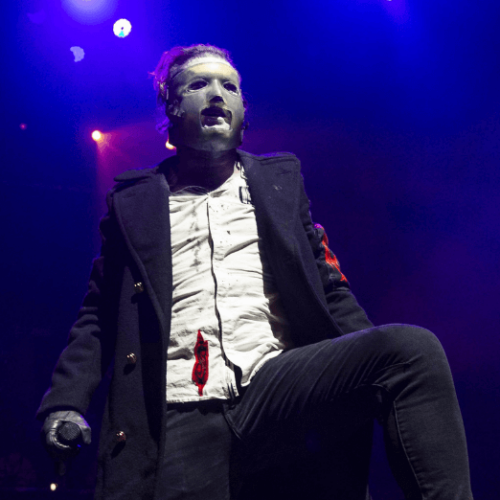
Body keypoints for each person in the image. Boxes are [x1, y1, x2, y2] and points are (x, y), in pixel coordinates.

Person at [38, 44, 473, 500]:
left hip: (276, 387)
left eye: (230, 86)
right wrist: (65, 403)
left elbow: (329, 287)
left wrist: (363, 370)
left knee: (409, 351)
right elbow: (98, 314)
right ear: (171, 107)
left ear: (244, 112)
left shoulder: (280, 185)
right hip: (180, 405)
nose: (216, 94)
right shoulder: (134, 203)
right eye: (198, 84)